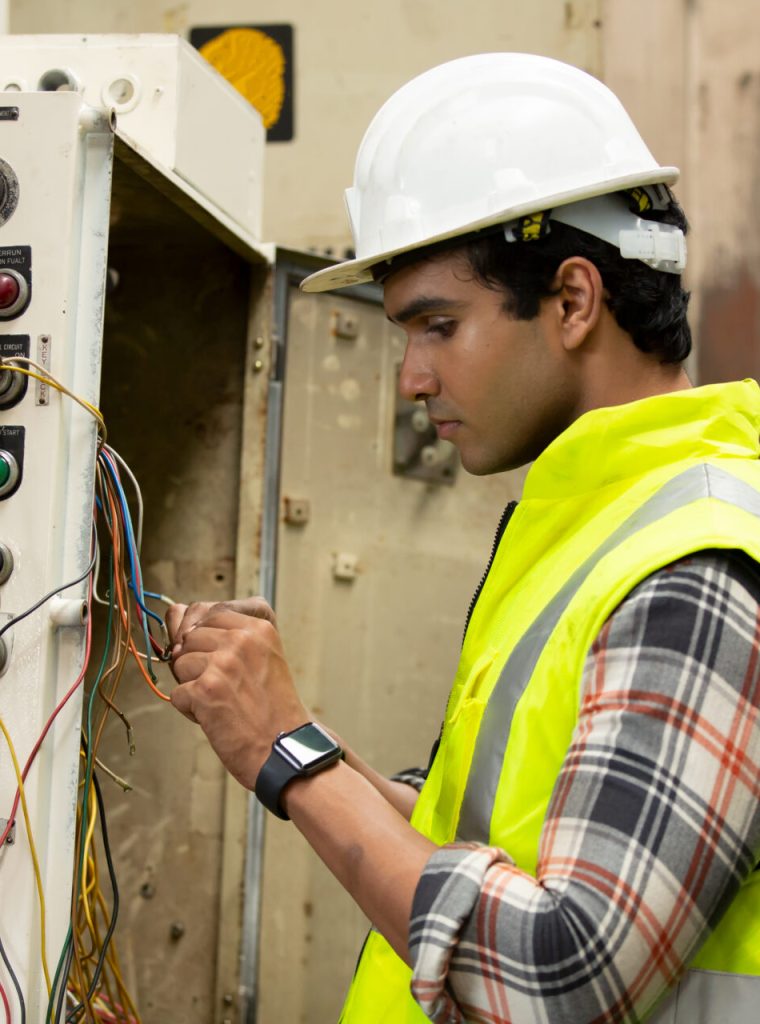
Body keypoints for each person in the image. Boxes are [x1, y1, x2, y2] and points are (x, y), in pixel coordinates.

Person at [166, 54, 760, 1023]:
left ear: (572, 301)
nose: (410, 377)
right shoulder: (584, 529)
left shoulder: (694, 566)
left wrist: (289, 754)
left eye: (437, 326)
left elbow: (564, 972)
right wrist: (280, 728)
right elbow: (489, 848)